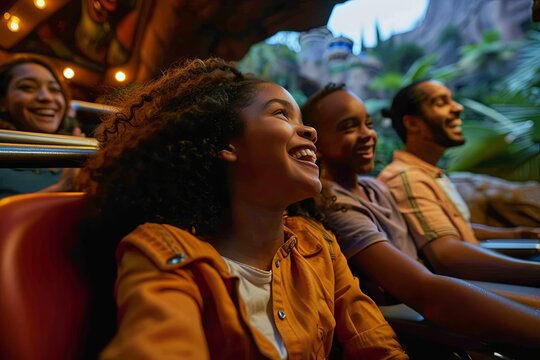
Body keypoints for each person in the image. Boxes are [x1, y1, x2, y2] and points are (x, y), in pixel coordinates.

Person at [77, 58, 407, 359]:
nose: (310, 131)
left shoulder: (320, 245)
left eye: (303, 120)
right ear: (226, 146)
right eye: (281, 114)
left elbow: (377, 345)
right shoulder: (163, 251)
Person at [299, 83, 540, 349]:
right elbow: (423, 289)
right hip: (416, 317)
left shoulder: (374, 187)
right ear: (316, 145)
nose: (367, 134)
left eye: (368, 123)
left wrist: (517, 235)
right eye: (348, 127)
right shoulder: (335, 205)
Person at [377, 79, 540, 285]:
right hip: (471, 289)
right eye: (441, 102)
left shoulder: (428, 173)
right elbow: (447, 256)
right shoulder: (407, 179)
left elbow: (456, 230)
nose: (458, 107)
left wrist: (519, 234)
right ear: (412, 124)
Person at [0, 55, 81, 197]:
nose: (46, 97)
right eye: (28, 87)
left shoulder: (78, 152)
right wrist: (61, 190)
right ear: (2, 101)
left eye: (55, 89)